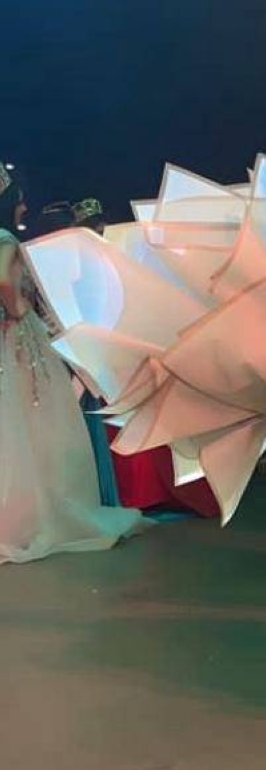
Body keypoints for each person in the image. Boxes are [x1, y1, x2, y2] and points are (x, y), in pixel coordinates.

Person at [0, 165, 144, 563]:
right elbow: (5, 282)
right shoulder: (6, 238)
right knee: (36, 421)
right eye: (19, 200)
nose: (24, 206)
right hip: (18, 335)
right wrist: (17, 309)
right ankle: (33, 513)